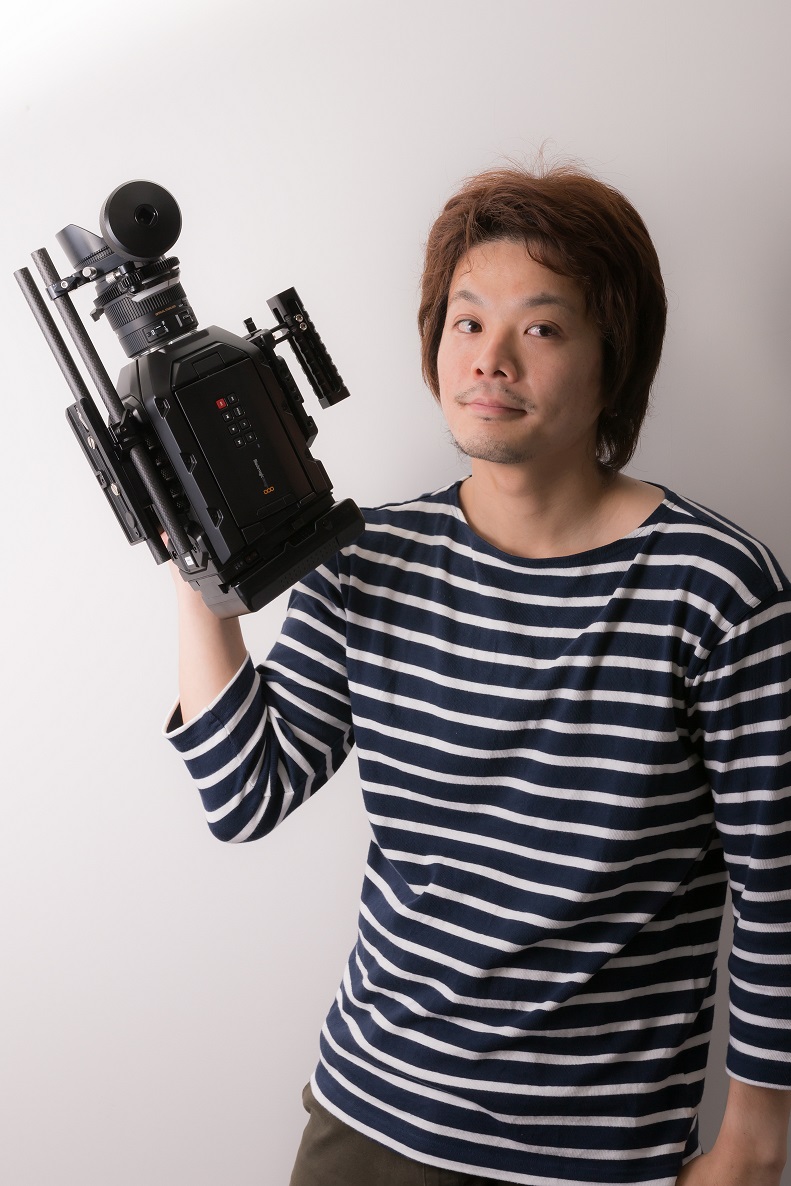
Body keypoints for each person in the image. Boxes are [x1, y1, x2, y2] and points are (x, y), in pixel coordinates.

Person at [164, 163, 791, 1186]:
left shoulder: (714, 587)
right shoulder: (365, 557)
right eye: (466, 322)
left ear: (613, 359)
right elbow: (245, 794)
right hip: (367, 1122)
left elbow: (776, 884)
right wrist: (201, 576)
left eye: (539, 327)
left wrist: (755, 1146)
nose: (489, 358)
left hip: (592, 1157)